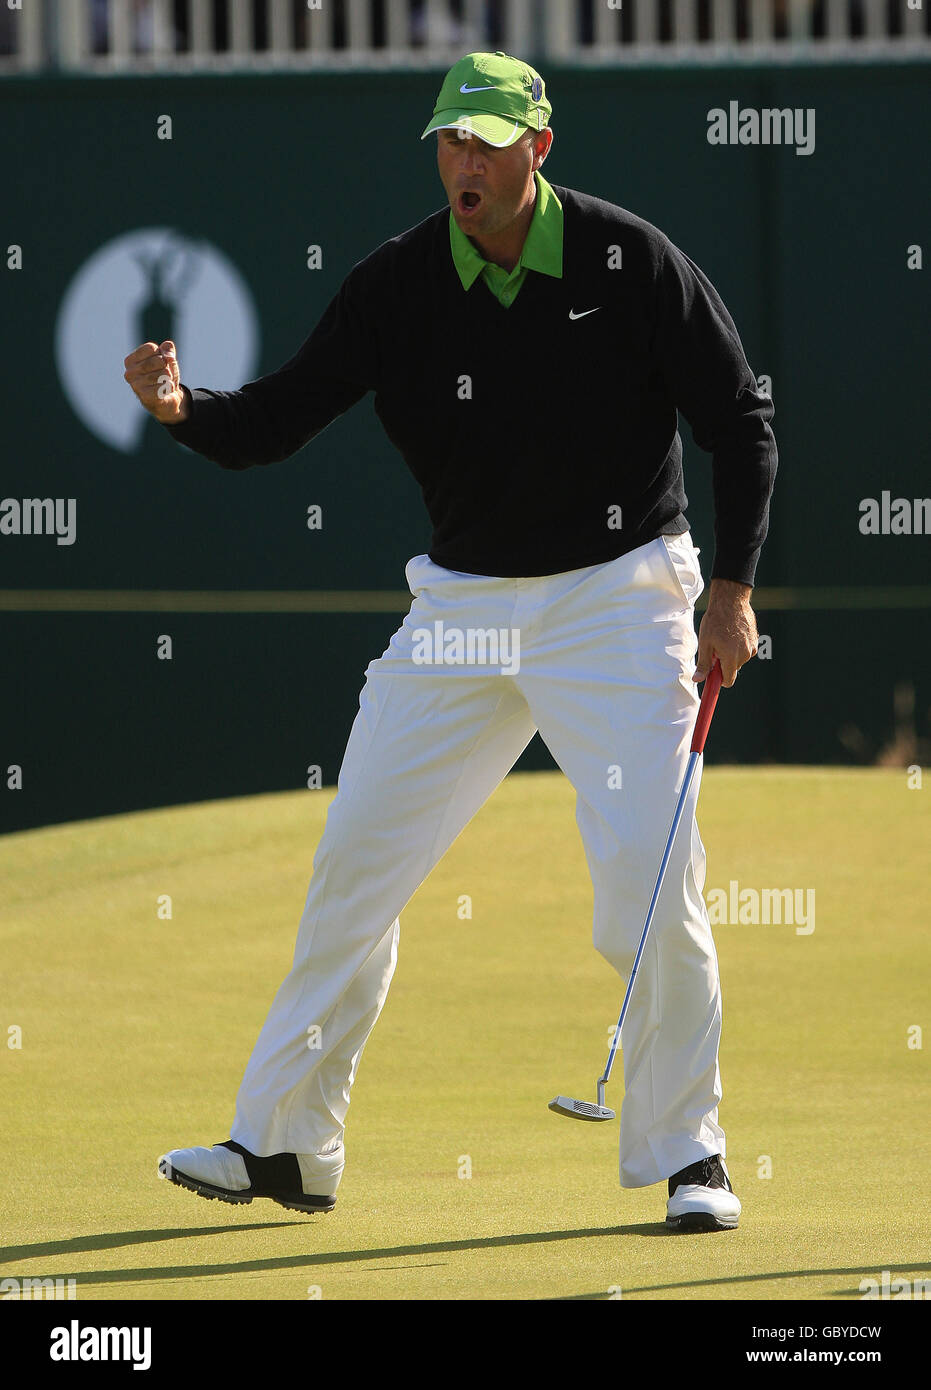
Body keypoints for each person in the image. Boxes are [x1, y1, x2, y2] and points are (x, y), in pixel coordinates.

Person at [124, 50, 776, 1232]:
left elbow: (739, 418)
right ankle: (282, 1148)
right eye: (447, 142)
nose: (462, 164)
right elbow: (279, 416)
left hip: (618, 597)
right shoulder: (398, 284)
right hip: (463, 612)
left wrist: (728, 587)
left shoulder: (627, 259)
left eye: (485, 142)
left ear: (539, 148)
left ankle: (691, 1153)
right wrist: (183, 413)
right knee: (357, 863)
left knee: (646, 874)